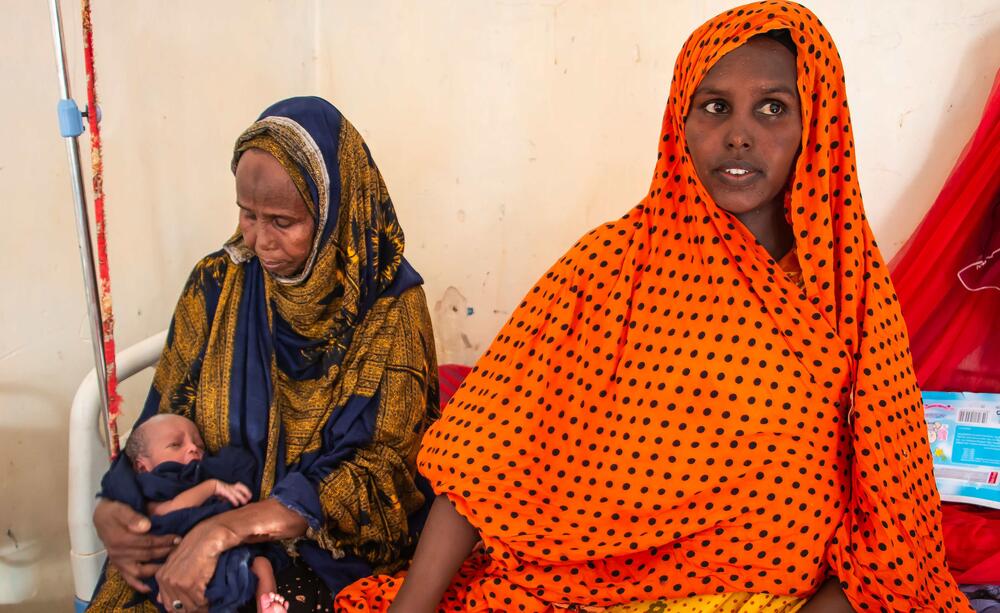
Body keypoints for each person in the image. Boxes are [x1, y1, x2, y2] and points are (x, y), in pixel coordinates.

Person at [336, 2, 972, 612]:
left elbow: (893, 531)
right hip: (586, 592)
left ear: (819, 124)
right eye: (714, 107)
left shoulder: (849, 290)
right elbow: (482, 461)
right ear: (680, 121)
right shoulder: (607, 267)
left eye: (773, 108)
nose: (740, 134)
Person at [88, 96, 439, 613]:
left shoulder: (390, 309)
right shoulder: (217, 282)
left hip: (324, 545)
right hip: (202, 511)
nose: (259, 240)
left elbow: (385, 474)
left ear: (332, 212)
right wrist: (116, 506)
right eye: (247, 215)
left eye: (282, 221)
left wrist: (230, 530)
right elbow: (162, 421)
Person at [101, 413, 287, 612]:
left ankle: (266, 602)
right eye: (175, 444)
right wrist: (212, 487)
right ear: (142, 466)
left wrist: (225, 497)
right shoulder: (151, 484)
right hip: (179, 560)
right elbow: (168, 512)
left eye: (199, 445)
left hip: (230, 550)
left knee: (262, 563)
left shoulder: (204, 472)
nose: (193, 449)